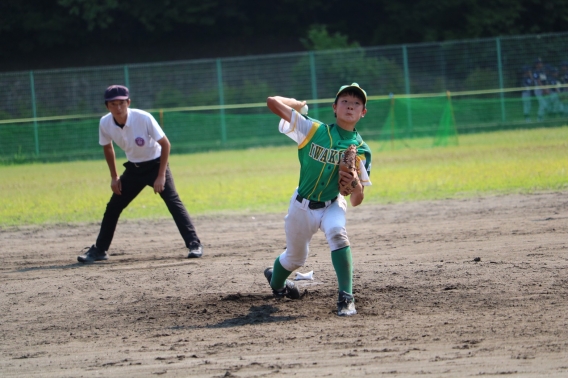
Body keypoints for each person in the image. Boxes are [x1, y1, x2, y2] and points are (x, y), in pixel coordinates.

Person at [263, 83, 372, 316]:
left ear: (363, 112)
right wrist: (298, 104)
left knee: (337, 232)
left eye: (356, 103)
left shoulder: (361, 149)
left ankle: (346, 297)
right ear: (334, 108)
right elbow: (272, 102)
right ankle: (277, 283)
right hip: (301, 206)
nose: (350, 106)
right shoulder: (311, 129)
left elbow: (356, 200)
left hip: (332, 203)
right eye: (345, 101)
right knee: (294, 259)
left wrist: (355, 186)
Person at [77, 85, 203, 263]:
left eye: (122, 103)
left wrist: (161, 176)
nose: (118, 108)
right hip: (134, 170)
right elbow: (107, 147)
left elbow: (165, 144)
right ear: (107, 106)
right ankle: (100, 250)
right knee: (113, 207)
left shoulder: (143, 118)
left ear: (128, 102)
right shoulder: (105, 122)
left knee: (173, 202)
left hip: (156, 165)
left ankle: (194, 244)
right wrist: (114, 177)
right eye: (113, 104)